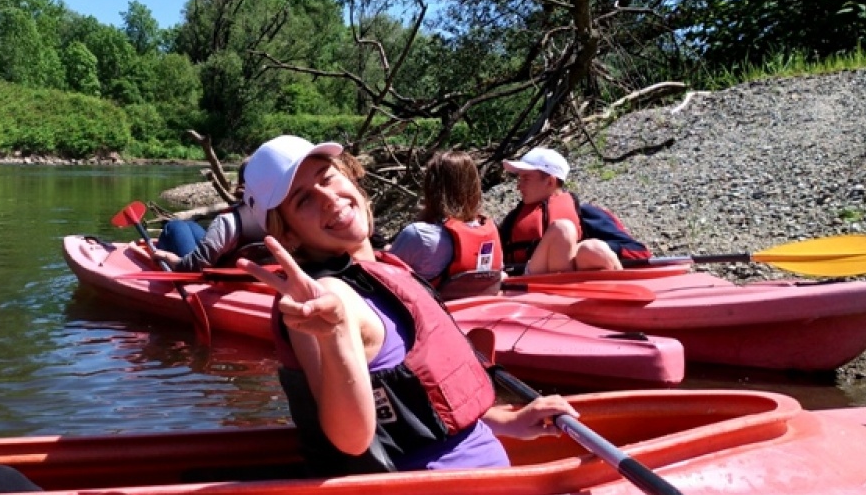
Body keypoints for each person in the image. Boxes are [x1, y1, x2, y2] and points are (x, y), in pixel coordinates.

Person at [234, 134, 576, 477]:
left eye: (327, 177)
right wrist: (333, 333)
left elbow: (425, 399)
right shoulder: (326, 297)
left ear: (349, 178)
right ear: (289, 234)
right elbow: (352, 440)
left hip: (486, 479)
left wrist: (507, 420)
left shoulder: (384, 268)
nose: (327, 198)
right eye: (303, 200)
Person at [386, 150, 504, 293]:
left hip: (435, 313)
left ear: (430, 187)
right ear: (475, 186)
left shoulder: (419, 234)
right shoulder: (489, 232)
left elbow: (385, 278)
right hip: (478, 310)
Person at [498, 147, 621, 274]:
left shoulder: (585, 213)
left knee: (593, 249)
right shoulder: (513, 218)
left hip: (571, 276)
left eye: (526, 179)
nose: (519, 186)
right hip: (527, 279)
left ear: (550, 182)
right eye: (519, 179)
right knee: (562, 229)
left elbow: (634, 249)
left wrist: (578, 251)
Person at [130, 161, 266, 272]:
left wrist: (168, 257)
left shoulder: (228, 223)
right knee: (191, 225)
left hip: (212, 273)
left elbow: (193, 267)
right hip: (236, 262)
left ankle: (160, 254)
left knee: (174, 225)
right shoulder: (279, 219)